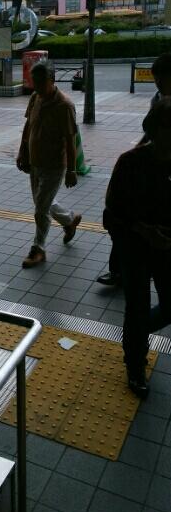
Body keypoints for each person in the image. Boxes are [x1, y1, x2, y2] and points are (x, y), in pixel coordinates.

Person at [105, 98, 171, 398]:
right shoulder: (130, 163)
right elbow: (111, 215)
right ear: (154, 130)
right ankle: (135, 366)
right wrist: (144, 230)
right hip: (135, 250)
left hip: (168, 249)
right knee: (137, 305)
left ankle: (138, 332)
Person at [97, 52, 171, 286]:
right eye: (156, 80)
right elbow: (114, 212)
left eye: (162, 79)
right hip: (149, 173)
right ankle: (118, 271)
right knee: (130, 221)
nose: (158, 84)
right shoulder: (158, 99)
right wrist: (139, 150)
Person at [16, 60, 82, 267]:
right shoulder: (35, 97)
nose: (35, 86)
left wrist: (71, 170)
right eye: (33, 81)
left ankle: (39, 249)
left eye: (40, 82)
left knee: (40, 210)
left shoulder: (64, 106)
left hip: (54, 165)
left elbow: (70, 141)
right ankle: (69, 220)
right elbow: (29, 125)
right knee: (41, 203)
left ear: (52, 80)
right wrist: (22, 152)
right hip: (35, 161)